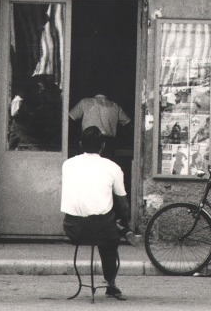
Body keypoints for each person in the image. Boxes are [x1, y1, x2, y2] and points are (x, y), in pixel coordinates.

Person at [61, 126, 130, 301]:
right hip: (102, 229)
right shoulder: (112, 167)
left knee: (103, 223)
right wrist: (125, 221)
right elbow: (123, 202)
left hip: (72, 228)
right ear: (103, 145)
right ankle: (111, 283)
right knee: (110, 238)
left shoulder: (68, 164)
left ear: (80, 144)